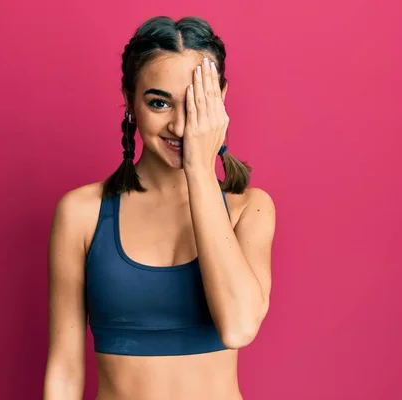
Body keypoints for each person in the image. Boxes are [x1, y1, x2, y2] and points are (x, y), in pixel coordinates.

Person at [43, 15, 276, 400]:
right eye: (159, 103)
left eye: (197, 103)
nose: (180, 126)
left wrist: (199, 170)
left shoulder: (249, 209)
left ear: (221, 99)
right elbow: (64, 372)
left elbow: (238, 327)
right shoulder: (81, 213)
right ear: (130, 99)